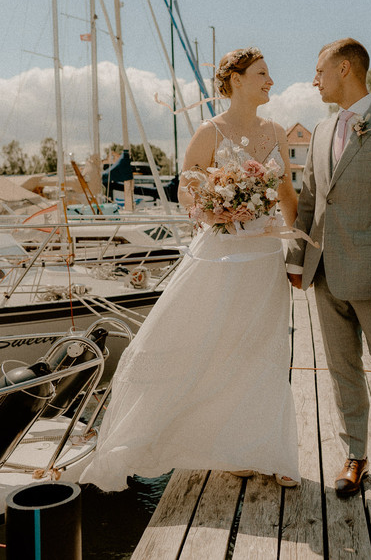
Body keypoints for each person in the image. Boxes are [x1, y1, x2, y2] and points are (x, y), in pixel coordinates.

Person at [79, 47, 301, 491]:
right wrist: (218, 206)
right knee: (219, 350)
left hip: (263, 261)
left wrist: (296, 251)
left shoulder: (277, 131)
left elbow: (288, 195)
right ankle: (230, 447)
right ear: (236, 80)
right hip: (220, 258)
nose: (270, 80)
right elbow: (187, 191)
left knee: (267, 351)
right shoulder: (210, 131)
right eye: (262, 73)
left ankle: (270, 449)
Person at [286, 38, 371, 499]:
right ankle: (356, 456)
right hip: (324, 273)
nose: (314, 80)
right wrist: (296, 259)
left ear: (344, 69)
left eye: (319, 70)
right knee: (342, 369)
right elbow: (309, 200)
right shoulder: (323, 131)